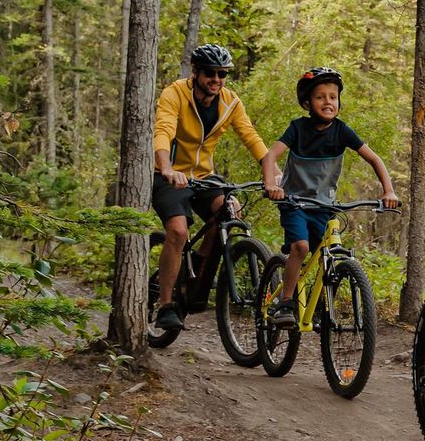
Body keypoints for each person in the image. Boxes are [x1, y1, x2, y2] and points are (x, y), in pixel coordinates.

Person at [151, 44, 282, 332]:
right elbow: (163, 130)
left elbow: (251, 137)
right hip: (169, 175)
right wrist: (167, 167)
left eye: (222, 74)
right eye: (210, 73)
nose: (216, 79)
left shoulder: (230, 102)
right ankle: (166, 305)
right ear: (196, 72)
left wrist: (271, 172)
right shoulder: (175, 93)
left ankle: (197, 283)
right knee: (178, 231)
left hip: (204, 176)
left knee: (228, 212)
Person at [261, 67, 400, 327]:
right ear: (307, 103)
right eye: (320, 97)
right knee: (300, 248)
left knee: (324, 253)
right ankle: (286, 302)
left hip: (324, 205)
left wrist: (388, 190)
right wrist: (271, 185)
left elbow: (373, 158)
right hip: (295, 203)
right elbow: (271, 156)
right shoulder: (298, 128)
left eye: (333, 97)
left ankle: (323, 306)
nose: (328, 102)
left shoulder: (342, 131)